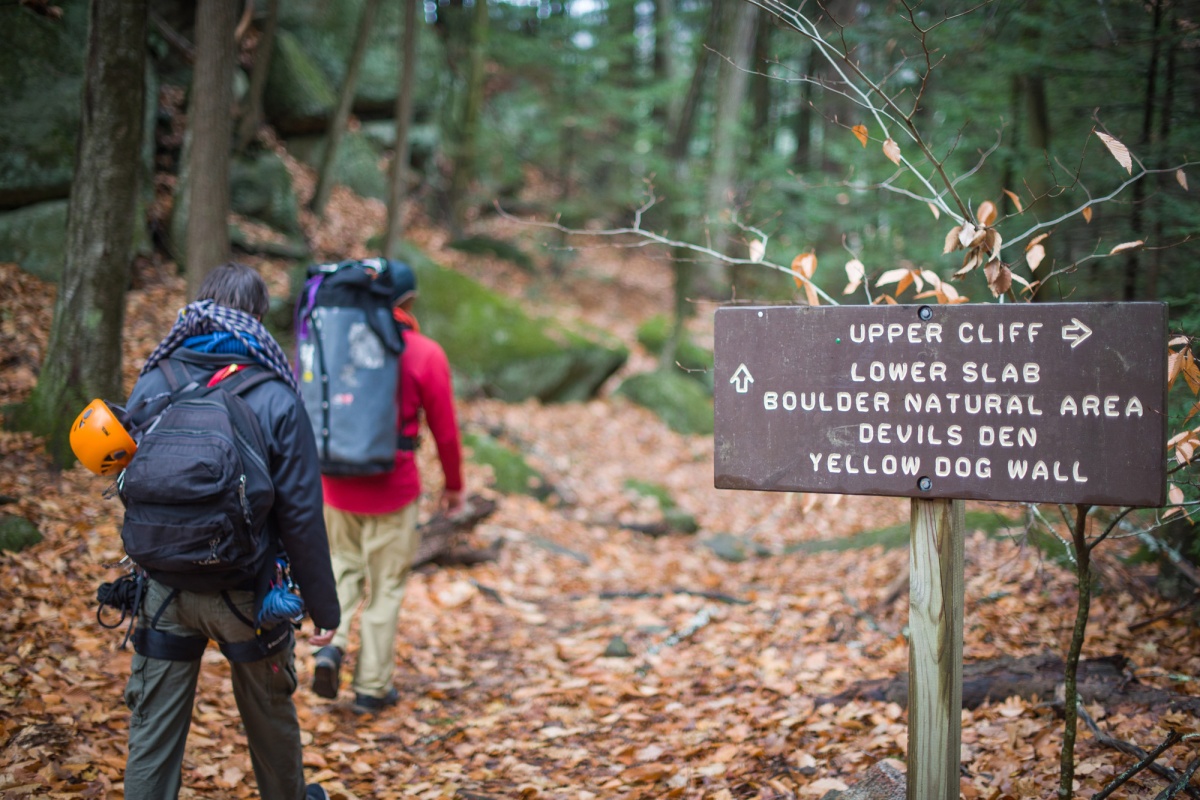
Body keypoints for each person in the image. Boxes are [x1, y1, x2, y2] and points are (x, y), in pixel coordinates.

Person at [121, 262, 339, 800]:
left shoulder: (156, 377)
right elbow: (302, 515)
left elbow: (136, 484)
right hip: (250, 592)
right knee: (269, 718)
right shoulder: (276, 394)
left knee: (151, 733)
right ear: (259, 318)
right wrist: (324, 608)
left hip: (163, 588)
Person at [311, 259, 465, 713]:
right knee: (386, 587)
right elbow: (446, 431)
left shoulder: (335, 343)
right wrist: (454, 486)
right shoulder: (423, 353)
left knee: (343, 566)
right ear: (408, 302)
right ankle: (372, 689)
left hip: (334, 484)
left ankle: (330, 645)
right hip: (393, 489)